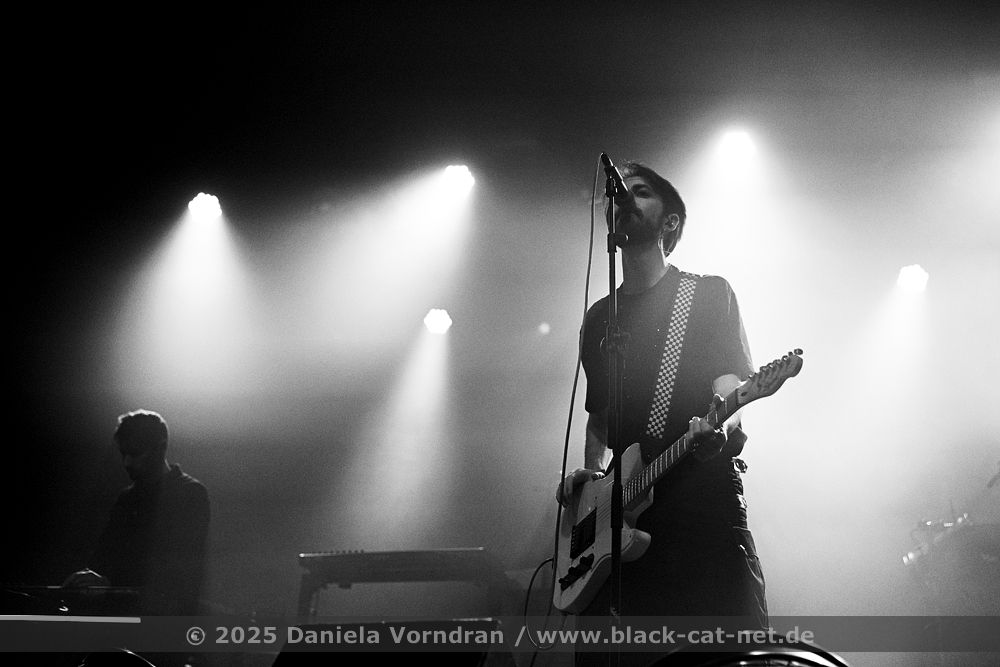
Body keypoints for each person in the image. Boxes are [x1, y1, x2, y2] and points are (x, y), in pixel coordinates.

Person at [557, 161, 767, 665]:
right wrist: (589, 482)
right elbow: (599, 418)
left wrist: (722, 425)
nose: (625, 199)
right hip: (623, 519)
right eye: (620, 194)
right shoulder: (599, 319)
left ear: (670, 222)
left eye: (642, 192)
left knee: (727, 655)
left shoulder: (708, 293)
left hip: (700, 503)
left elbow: (730, 384)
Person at [64, 409, 210, 616]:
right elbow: (103, 558)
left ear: (161, 447)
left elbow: (177, 573)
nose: (127, 462)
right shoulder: (126, 499)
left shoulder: (190, 493)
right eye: (123, 454)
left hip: (165, 621)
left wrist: (109, 584)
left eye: (135, 453)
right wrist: (88, 578)